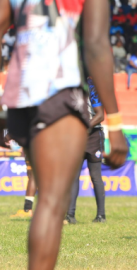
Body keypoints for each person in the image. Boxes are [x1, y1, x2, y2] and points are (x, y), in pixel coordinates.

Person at [0, 1, 128, 269]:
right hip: (60, 92)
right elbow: (95, 44)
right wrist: (115, 123)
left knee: (47, 198)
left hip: (19, 99)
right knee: (51, 202)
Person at [65, 77, 106, 224]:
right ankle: (70, 216)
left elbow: (100, 115)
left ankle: (101, 216)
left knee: (95, 176)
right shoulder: (67, 87)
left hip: (93, 136)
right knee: (73, 176)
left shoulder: (92, 86)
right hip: (76, 137)